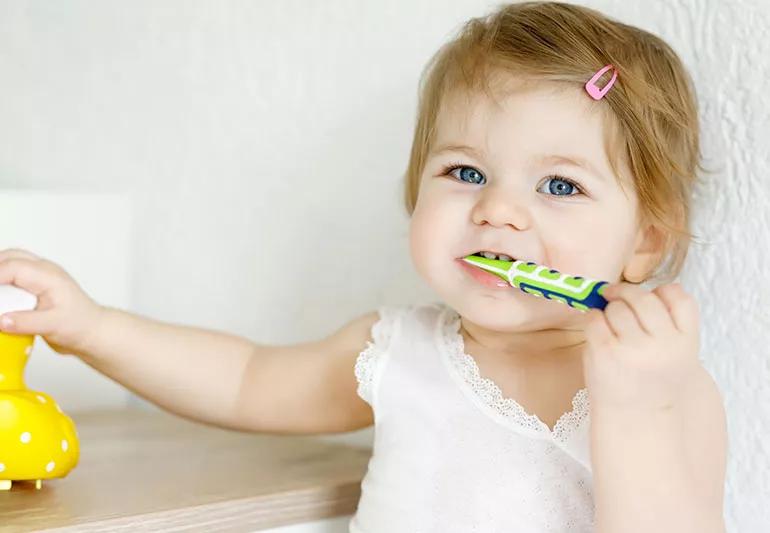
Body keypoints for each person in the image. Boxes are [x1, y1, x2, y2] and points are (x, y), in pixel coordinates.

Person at [0, 2, 726, 531]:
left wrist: (636, 407)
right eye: (466, 172)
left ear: (645, 243)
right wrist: (91, 326)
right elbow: (246, 379)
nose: (498, 211)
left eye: (560, 186)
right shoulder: (396, 349)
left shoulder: (667, 392)